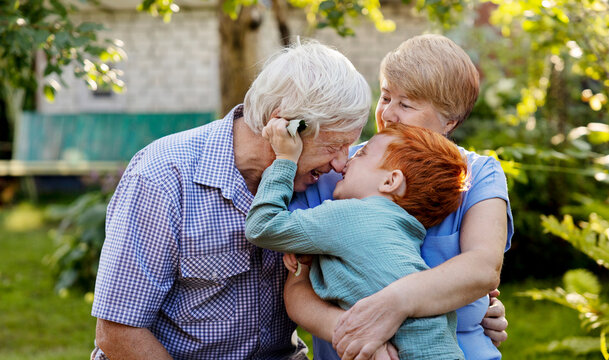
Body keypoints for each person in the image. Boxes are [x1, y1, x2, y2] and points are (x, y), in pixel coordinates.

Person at [90, 40, 372, 359]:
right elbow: (118, 332)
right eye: (334, 146)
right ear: (285, 126)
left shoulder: (328, 183)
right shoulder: (163, 177)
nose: (340, 163)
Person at [284, 34, 513, 360]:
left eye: (406, 105)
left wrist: (395, 303)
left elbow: (482, 268)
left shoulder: (476, 176)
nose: (388, 114)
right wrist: (356, 333)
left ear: (450, 121)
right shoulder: (339, 170)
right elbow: (297, 284)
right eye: (386, 97)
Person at [246, 119, 470, 360]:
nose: (345, 163)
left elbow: (262, 225)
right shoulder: (404, 231)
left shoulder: (351, 215)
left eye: (361, 153)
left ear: (390, 181)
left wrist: (285, 161)